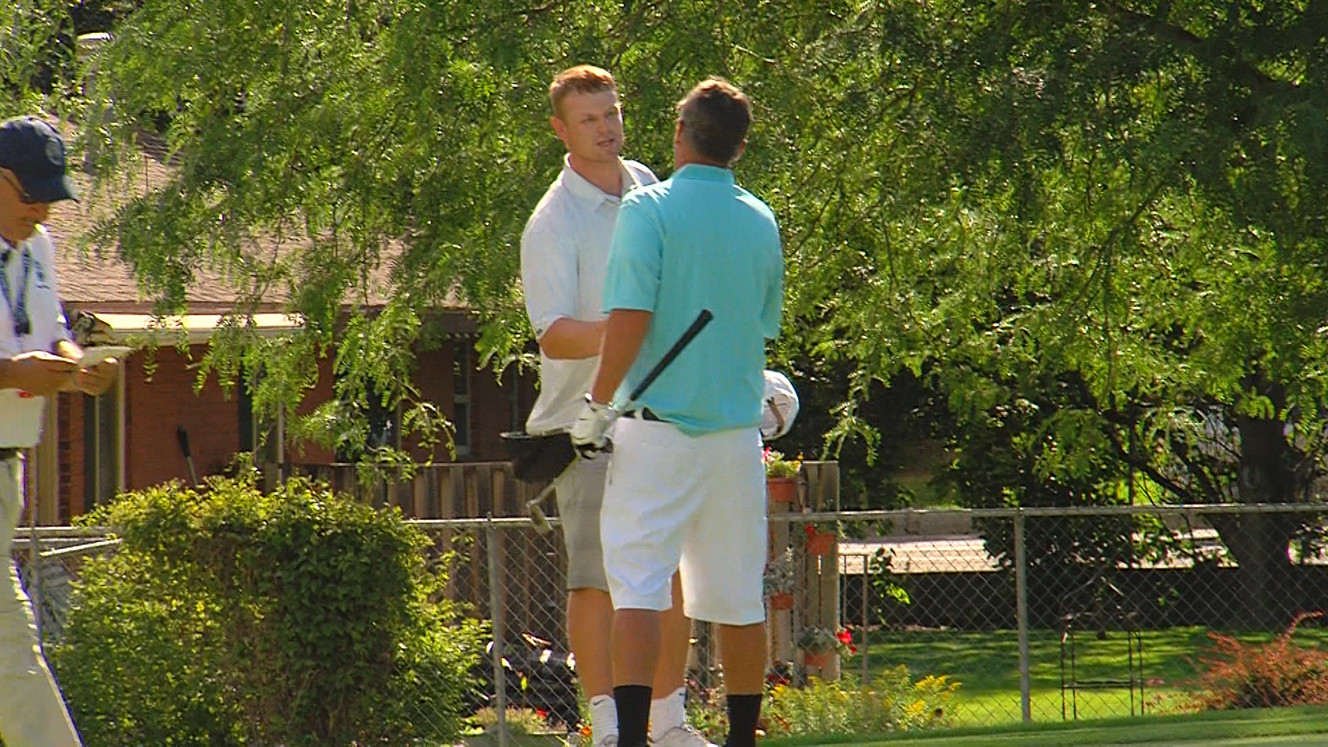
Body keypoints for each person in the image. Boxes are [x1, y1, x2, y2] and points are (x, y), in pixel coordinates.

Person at [571, 77, 783, 747]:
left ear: (679, 134)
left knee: (637, 588)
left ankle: (633, 739)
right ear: (739, 148)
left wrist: (596, 403)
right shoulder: (760, 218)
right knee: (738, 600)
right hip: (732, 440)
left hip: (654, 435)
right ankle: (742, 741)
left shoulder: (647, 209)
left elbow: (629, 318)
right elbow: (758, 326)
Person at [520, 66, 707, 747]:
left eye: (612, 112)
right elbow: (554, 333)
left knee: (675, 573)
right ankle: (606, 725)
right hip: (587, 426)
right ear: (561, 130)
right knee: (596, 582)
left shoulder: (650, 185)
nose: (606, 127)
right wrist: (628, 327)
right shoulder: (552, 221)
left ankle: (669, 721)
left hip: (663, 415)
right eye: (590, 118)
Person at [0, 115, 119, 746]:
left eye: (52, 193)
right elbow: (18, 361)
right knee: (13, 655)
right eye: (31, 193)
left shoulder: (38, 247)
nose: (43, 209)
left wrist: (77, 371)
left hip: (7, 470)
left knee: (12, 654)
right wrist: (15, 372)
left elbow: (52, 337)